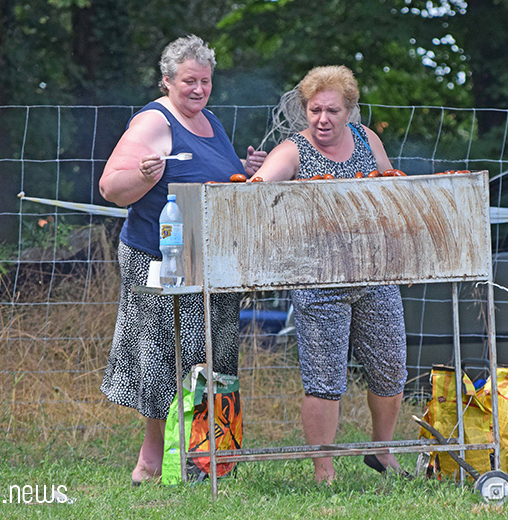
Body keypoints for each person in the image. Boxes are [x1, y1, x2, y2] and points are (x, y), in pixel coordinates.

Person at [98, 34, 266, 485]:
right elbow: (111, 188)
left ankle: (207, 460)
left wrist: (245, 172)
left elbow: (217, 179)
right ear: (168, 80)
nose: (198, 89)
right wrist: (143, 174)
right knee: (163, 358)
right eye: (189, 81)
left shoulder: (211, 120)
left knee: (213, 355)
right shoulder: (154, 122)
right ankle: (151, 462)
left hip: (213, 260)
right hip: (159, 257)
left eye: (205, 81)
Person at [251, 65, 408, 483]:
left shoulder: (367, 140)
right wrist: (259, 180)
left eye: (332, 110)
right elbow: (255, 193)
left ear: (349, 111)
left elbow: (390, 192)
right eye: (315, 109)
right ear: (304, 110)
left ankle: (382, 451)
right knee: (324, 379)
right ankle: (325, 469)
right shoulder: (293, 151)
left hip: (375, 274)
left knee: (391, 369)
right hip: (318, 281)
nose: (323, 119)